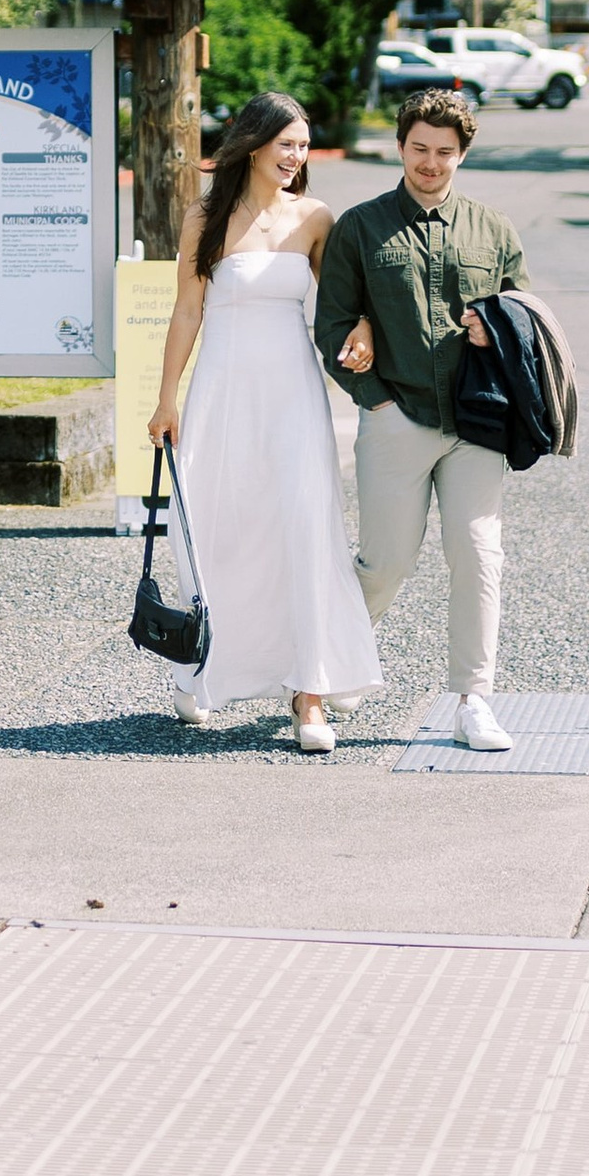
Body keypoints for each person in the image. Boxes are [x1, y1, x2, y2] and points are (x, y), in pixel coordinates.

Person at [146, 89, 383, 753]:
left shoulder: (315, 218)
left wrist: (362, 327)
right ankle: (207, 668)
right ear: (254, 145)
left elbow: (343, 303)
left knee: (304, 528)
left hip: (292, 394)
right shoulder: (203, 218)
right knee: (221, 527)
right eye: (287, 144)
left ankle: (310, 696)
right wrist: (166, 400)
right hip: (223, 390)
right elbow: (187, 311)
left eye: (304, 146)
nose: (297, 156)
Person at [315, 85, 524, 753]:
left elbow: (523, 320)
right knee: (385, 562)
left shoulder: (494, 230)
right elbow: (332, 324)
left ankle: (474, 700)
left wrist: (498, 334)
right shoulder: (362, 225)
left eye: (445, 152)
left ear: (462, 154)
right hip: (395, 414)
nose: (430, 164)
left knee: (478, 556)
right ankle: (339, 658)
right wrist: (373, 397)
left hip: (474, 423)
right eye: (419, 149)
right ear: (400, 146)